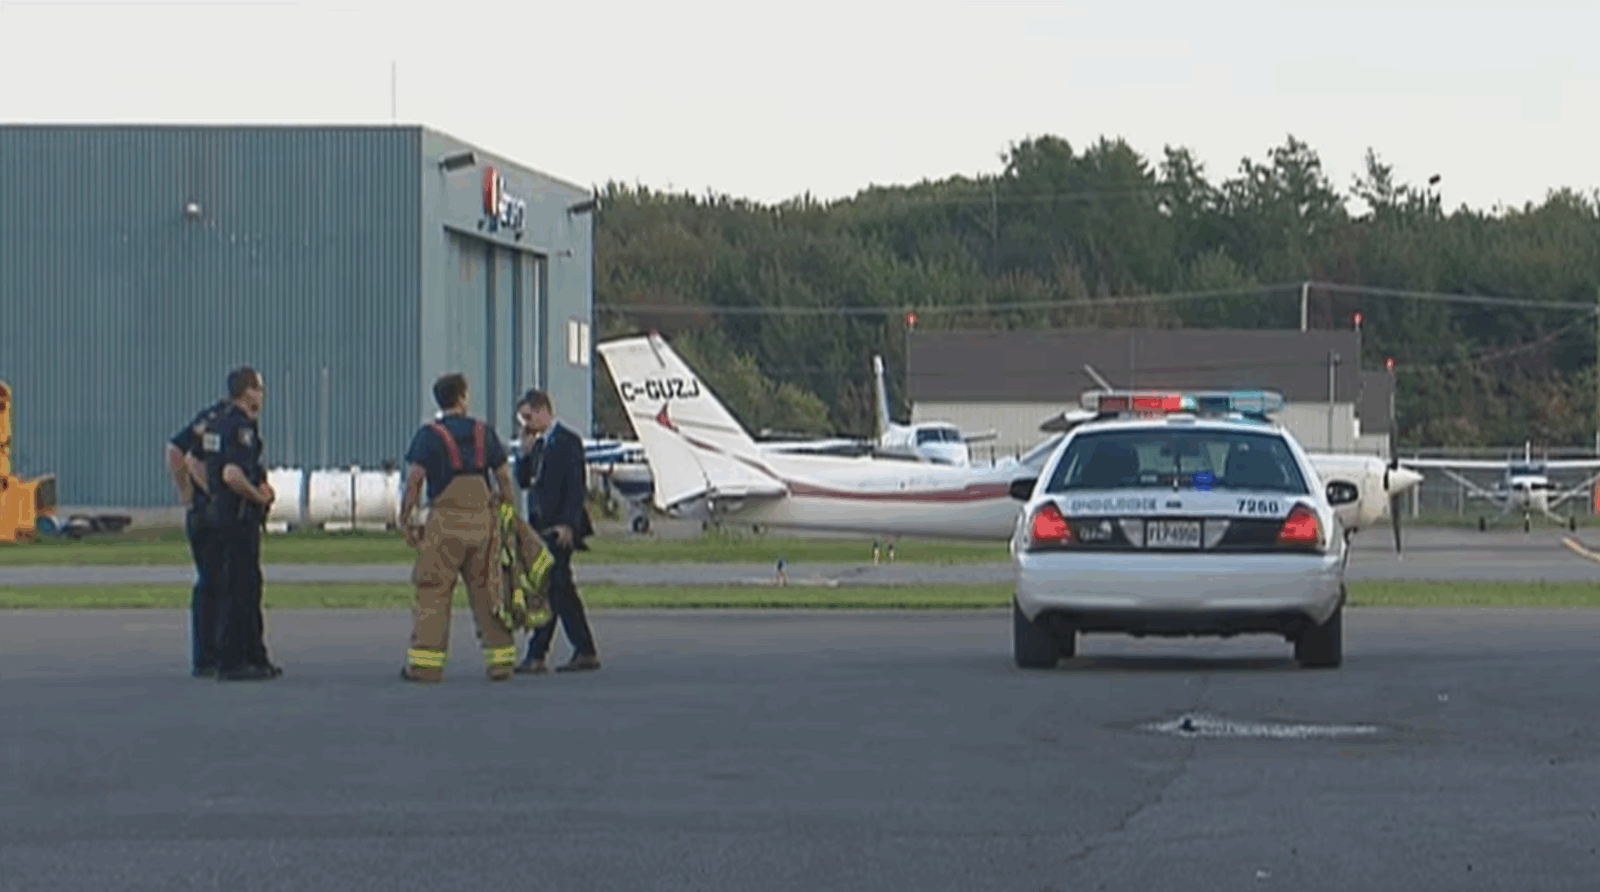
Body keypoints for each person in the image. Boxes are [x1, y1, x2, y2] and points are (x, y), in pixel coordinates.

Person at [397, 372, 520, 683]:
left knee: (433, 591)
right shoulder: (484, 432)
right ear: (463, 397)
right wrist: (508, 512)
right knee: (488, 591)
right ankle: (501, 662)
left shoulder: (428, 435)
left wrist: (406, 518)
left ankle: (426, 666)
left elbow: (414, 480)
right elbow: (504, 477)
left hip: (445, 521)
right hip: (483, 521)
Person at [204, 366, 283, 682]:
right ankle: (236, 659)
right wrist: (258, 497)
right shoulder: (240, 428)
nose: (262, 397)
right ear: (247, 391)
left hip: (220, 515)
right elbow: (232, 474)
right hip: (237, 518)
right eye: (259, 389)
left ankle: (249, 655)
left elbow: (203, 465)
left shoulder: (216, 422)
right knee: (243, 589)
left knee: (232, 587)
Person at [513, 389, 600, 674]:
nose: (525, 424)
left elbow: (576, 487)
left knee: (554, 587)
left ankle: (541, 654)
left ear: (542, 411)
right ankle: (578, 650)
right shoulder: (537, 446)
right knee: (557, 589)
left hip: (558, 526)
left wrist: (568, 524)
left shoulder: (567, 441)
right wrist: (523, 454)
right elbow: (524, 481)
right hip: (539, 526)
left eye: (528, 417)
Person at [167, 392, 230, 678]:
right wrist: (196, 492)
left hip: (205, 510)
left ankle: (211, 653)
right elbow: (183, 455)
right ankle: (211, 654)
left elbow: (179, 451)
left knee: (214, 583)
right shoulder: (221, 422)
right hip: (210, 512)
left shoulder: (209, 420)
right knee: (215, 582)